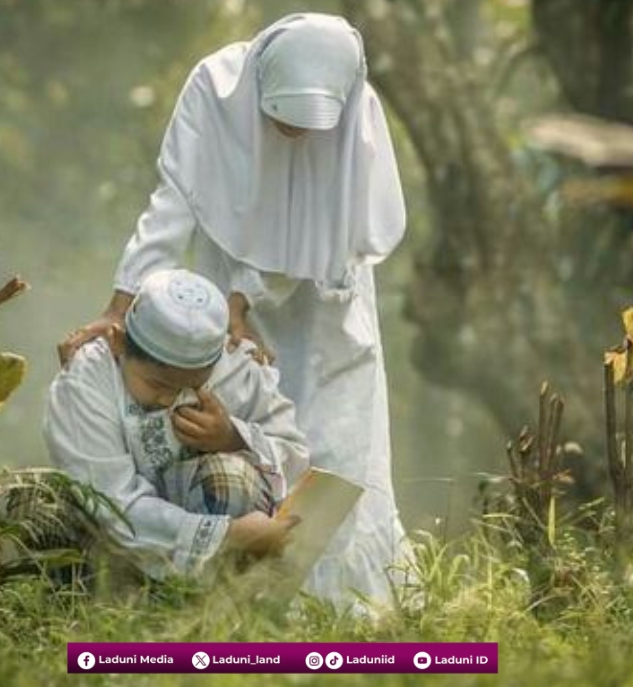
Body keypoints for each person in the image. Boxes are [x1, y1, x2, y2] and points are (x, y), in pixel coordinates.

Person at [60, 13, 409, 608]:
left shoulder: (356, 111)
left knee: (334, 451)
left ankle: (347, 608)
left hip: (326, 303)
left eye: (310, 125)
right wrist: (121, 306)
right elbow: (174, 202)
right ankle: (237, 606)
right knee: (228, 436)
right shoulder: (214, 90)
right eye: (282, 119)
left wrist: (247, 300)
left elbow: (332, 228)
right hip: (224, 300)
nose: (296, 135)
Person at [45, 269, 309, 581]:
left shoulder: (236, 365)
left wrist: (231, 437)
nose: (166, 400)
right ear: (118, 343)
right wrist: (226, 536)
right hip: (111, 552)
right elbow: (109, 500)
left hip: (227, 549)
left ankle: (221, 618)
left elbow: (295, 453)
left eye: (191, 386)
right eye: (157, 384)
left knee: (229, 481)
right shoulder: (87, 380)